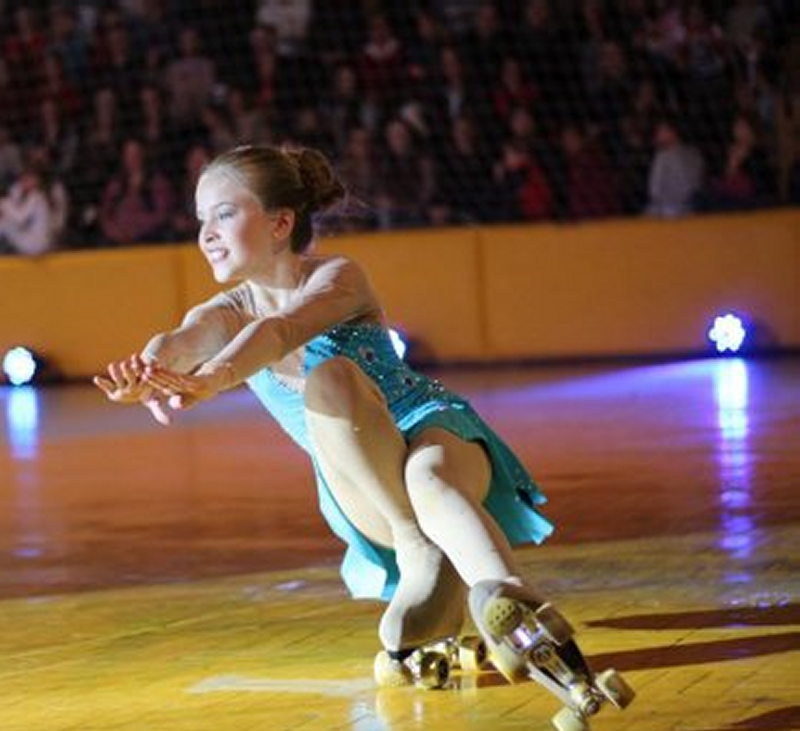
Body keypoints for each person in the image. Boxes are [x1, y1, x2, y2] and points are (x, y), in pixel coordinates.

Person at [93, 145, 634, 717]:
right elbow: (180, 338)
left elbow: (280, 331)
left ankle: (506, 602)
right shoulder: (225, 312)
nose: (206, 233)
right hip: (367, 493)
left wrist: (216, 377)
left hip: (433, 431)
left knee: (399, 448)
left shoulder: (337, 276)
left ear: (280, 223)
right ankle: (422, 551)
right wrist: (151, 370)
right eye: (201, 218)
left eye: (224, 214)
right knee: (404, 601)